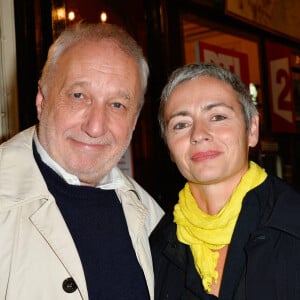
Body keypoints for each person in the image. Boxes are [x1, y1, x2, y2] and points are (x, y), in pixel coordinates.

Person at [0, 23, 164, 300]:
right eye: (79, 96)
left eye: (117, 105)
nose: (96, 127)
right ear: (42, 100)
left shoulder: (153, 218)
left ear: (134, 121)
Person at [150, 63, 300, 300]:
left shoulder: (292, 221)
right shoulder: (155, 246)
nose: (198, 134)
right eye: (181, 124)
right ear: (169, 146)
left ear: (252, 129)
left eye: (218, 117)